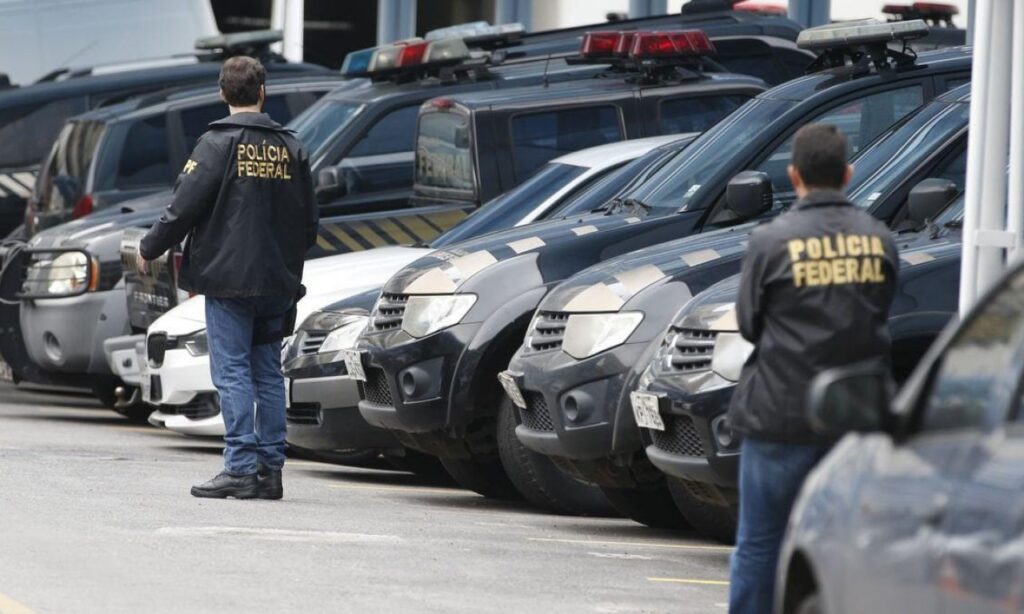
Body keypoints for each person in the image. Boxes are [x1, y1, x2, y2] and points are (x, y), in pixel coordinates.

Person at [726, 123, 898, 612]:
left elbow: (749, 325)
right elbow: (879, 314)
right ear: (848, 173)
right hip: (854, 417)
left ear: (793, 174)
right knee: (850, 545)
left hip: (779, 416)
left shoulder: (771, 240)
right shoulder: (878, 239)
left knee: (761, 544)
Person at [138, 56, 318, 500]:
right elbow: (310, 222)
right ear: (263, 92)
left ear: (223, 93)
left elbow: (183, 207)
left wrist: (149, 248)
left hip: (229, 280)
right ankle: (270, 470)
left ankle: (239, 467)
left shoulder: (216, 144)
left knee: (233, 371)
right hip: (277, 282)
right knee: (267, 373)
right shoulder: (292, 146)